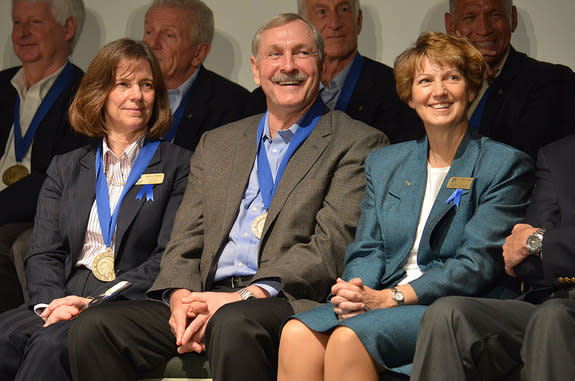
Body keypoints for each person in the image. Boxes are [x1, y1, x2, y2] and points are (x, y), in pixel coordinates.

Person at [67, 13, 386, 381]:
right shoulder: (218, 143)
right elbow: (185, 240)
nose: (288, 66)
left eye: (301, 54)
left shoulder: (357, 142)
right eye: (275, 54)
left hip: (281, 299)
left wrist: (244, 297)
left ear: (322, 64)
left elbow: (329, 247)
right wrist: (179, 299)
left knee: (234, 324)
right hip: (206, 295)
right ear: (255, 69)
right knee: (94, 328)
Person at [277, 31, 534, 381]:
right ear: (410, 96)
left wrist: (392, 298)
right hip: (381, 297)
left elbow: (477, 265)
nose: (439, 91)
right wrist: (357, 292)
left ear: (471, 90)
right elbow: (367, 248)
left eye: (452, 78)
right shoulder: (386, 163)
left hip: (452, 307)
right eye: (425, 80)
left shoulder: (502, 164)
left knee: (348, 339)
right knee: (296, 335)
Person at [0, 38, 191, 381]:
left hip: (127, 303)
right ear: (99, 93)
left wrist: (94, 302)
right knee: (5, 337)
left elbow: (166, 257)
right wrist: (50, 304)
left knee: (51, 346)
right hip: (62, 297)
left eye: (147, 85)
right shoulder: (66, 166)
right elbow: (43, 251)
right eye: (123, 84)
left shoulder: (180, 165)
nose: (137, 95)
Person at [411, 134, 575, 381]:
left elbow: (531, 242)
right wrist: (549, 246)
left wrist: (542, 242)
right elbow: (521, 258)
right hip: (552, 297)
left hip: (557, 313)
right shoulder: (559, 154)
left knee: (553, 318)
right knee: (448, 314)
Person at [0, 0, 93, 312]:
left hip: (35, 215)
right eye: (17, 23)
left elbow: (60, 177)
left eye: (35, 23)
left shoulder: (86, 95)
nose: (22, 33)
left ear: (67, 29)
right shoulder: (1, 85)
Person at [252, 0, 423, 143]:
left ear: (359, 20)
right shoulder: (263, 100)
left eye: (344, 9)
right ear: (303, 23)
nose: (335, 23)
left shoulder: (396, 90)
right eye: (321, 12)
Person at [445, 0, 575, 158]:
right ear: (450, 25)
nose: (484, 29)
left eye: (495, 15)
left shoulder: (552, 81)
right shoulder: (429, 88)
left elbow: (519, 160)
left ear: (513, 19)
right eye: (470, 17)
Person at [143, 0, 254, 152]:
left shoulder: (235, 106)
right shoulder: (121, 95)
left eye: (169, 35)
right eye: (149, 32)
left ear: (198, 53)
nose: (152, 43)